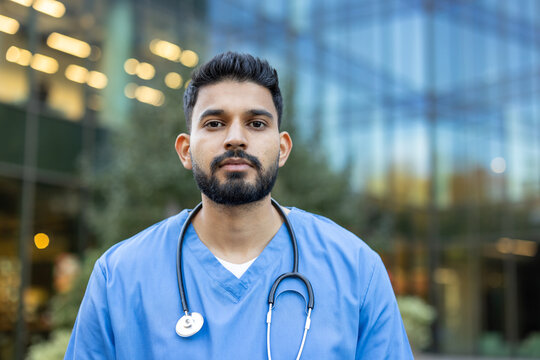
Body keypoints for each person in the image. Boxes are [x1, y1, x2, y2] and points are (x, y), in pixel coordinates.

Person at [65, 52, 413, 359]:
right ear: (186, 150)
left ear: (282, 148)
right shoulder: (119, 276)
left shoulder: (355, 269)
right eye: (214, 123)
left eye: (256, 123)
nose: (235, 137)